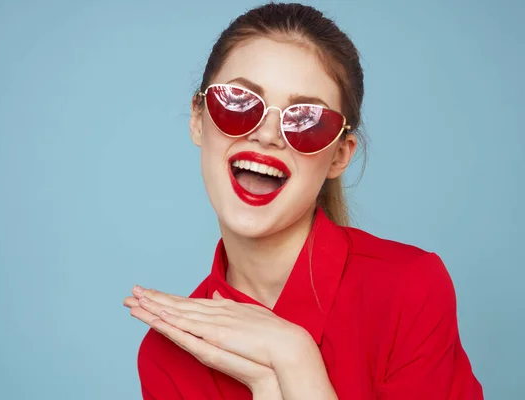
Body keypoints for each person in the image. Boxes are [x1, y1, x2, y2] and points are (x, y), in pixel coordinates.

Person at [123, 3, 484, 399]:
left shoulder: (409, 289)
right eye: (239, 102)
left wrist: (295, 357)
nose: (267, 134)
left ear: (339, 155)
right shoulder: (168, 355)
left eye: (306, 119)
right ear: (198, 117)